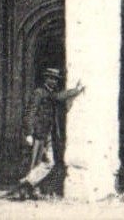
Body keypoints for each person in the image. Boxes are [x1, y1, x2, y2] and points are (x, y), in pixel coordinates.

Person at [11, 67, 84, 201]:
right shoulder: (39, 93)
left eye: (56, 79)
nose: (54, 81)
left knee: (48, 162)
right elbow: (30, 113)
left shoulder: (51, 94)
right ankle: (28, 190)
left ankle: (27, 183)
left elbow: (59, 97)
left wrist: (76, 90)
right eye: (51, 78)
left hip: (49, 133)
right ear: (46, 79)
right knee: (35, 162)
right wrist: (28, 133)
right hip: (38, 133)